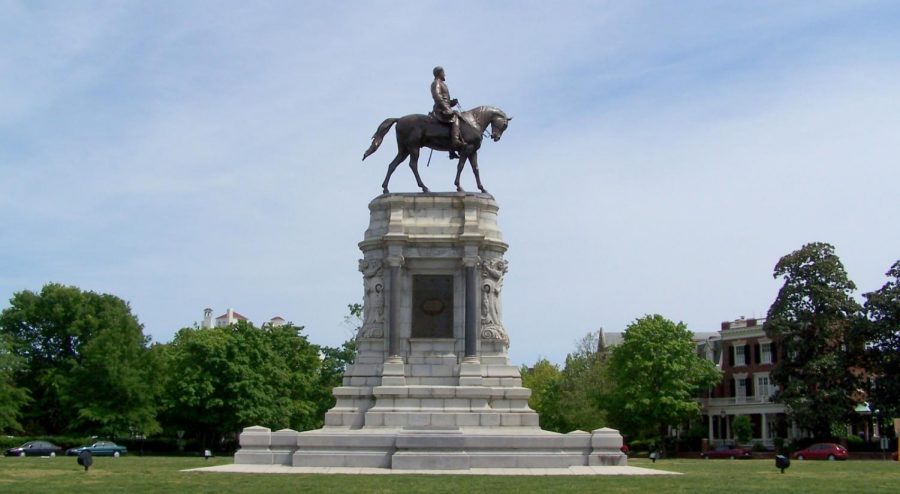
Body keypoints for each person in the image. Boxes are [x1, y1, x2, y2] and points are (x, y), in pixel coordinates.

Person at [431, 66, 463, 159]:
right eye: (443, 72)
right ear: (439, 73)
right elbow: (437, 97)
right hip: (440, 110)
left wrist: (452, 103)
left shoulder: (442, 83)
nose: (445, 74)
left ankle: (451, 151)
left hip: (444, 107)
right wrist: (446, 108)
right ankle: (455, 141)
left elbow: (445, 100)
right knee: (456, 116)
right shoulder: (436, 83)